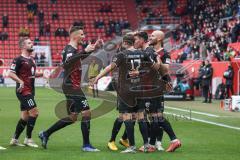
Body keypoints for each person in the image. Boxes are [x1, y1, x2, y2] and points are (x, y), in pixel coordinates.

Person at [39, 26, 101, 152]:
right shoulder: (69, 49)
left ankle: (45, 134)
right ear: (75, 36)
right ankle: (86, 145)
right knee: (86, 113)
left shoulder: (73, 50)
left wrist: (89, 51)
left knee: (72, 117)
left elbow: (77, 59)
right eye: (82, 35)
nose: (84, 37)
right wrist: (85, 51)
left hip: (71, 86)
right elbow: (68, 63)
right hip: (71, 86)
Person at [93, 34, 155, 153]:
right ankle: (146, 145)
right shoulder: (143, 54)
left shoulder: (122, 54)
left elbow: (109, 68)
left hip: (126, 90)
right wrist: (140, 72)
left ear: (125, 43)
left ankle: (131, 146)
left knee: (127, 117)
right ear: (133, 42)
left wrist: (97, 77)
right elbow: (152, 69)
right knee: (141, 117)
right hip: (139, 89)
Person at [135, 31, 181, 152]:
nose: (150, 37)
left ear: (160, 39)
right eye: (150, 36)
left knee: (154, 116)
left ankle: (154, 143)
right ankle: (162, 142)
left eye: (153, 36)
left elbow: (165, 69)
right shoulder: (149, 51)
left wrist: (156, 59)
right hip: (149, 87)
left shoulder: (164, 53)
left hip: (155, 88)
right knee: (154, 116)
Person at [8, 37, 44, 148]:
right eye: (29, 43)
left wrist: (41, 74)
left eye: (31, 42)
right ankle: (28, 139)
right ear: (23, 46)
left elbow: (31, 74)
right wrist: (20, 81)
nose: (32, 44)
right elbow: (10, 73)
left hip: (30, 91)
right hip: (23, 91)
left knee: (25, 117)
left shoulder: (31, 60)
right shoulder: (18, 59)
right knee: (34, 112)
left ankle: (14, 139)